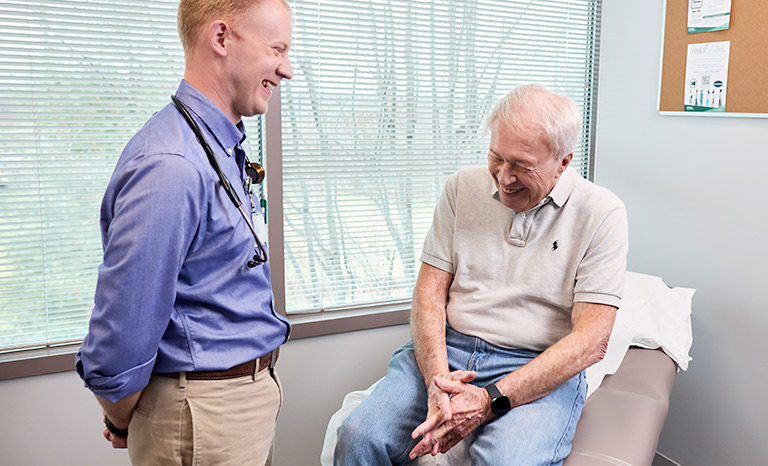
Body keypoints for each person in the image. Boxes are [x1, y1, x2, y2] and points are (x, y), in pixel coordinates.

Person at [334, 84, 628, 465]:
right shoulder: (462, 188)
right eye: (496, 157)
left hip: (534, 362)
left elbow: (591, 341)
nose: (504, 178)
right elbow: (429, 293)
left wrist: (489, 400)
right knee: (359, 436)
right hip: (451, 347)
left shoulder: (602, 214)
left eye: (521, 165)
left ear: (563, 162)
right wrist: (438, 383)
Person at [75, 0, 293, 464]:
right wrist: (123, 417)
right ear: (221, 38)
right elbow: (123, 330)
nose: (287, 69)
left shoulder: (218, 146)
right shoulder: (172, 165)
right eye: (277, 49)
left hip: (238, 406)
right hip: (203, 417)